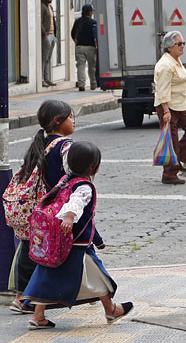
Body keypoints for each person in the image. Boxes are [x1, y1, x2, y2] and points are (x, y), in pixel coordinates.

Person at [22, 141, 133, 329]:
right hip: (78, 243)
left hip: (59, 242)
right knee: (99, 276)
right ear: (93, 167)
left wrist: (98, 240)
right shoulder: (84, 187)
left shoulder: (65, 181)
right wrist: (70, 216)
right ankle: (111, 310)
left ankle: (38, 315)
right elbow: (77, 203)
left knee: (48, 274)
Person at [9, 100, 75, 313]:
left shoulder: (41, 144)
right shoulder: (65, 145)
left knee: (30, 248)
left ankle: (21, 297)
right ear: (58, 121)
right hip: (54, 209)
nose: (73, 121)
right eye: (70, 117)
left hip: (36, 209)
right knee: (52, 252)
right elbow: (72, 174)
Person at [153, 31, 186, 185]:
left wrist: (185, 87)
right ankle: (169, 174)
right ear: (169, 47)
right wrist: (166, 111)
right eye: (178, 44)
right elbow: (162, 90)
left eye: (183, 43)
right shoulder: (165, 65)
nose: (182, 46)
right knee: (171, 140)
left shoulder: (176, 60)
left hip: (180, 104)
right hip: (168, 106)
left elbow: (176, 80)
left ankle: (176, 161)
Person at [71, 4, 98, 92]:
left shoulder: (78, 21)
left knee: (80, 66)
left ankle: (81, 84)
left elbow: (73, 33)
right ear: (90, 13)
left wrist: (77, 42)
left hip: (80, 47)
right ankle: (93, 84)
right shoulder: (93, 22)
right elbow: (96, 35)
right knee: (92, 67)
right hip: (91, 47)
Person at [41, 0, 57, 87]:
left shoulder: (50, 7)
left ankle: (46, 78)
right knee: (43, 58)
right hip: (46, 35)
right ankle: (42, 79)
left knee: (48, 58)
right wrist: (44, 34)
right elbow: (40, 22)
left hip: (52, 35)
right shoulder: (42, 7)